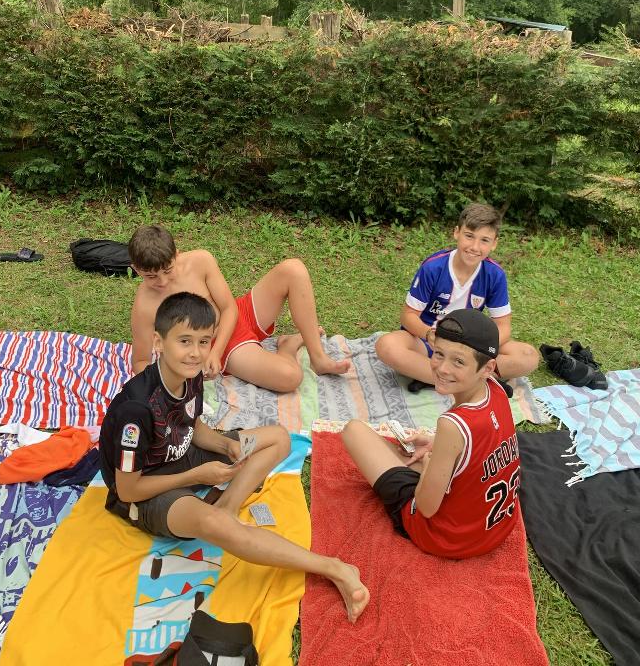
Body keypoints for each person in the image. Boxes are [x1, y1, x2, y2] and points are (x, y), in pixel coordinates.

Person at [100, 291, 369, 623]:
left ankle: (227, 506)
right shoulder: (136, 410)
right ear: (159, 342)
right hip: (148, 491)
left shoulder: (189, 374)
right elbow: (128, 490)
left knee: (278, 438)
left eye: (204, 342)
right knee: (214, 525)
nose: (195, 353)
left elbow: (189, 424)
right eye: (184, 341)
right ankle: (334, 568)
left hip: (182, 454)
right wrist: (197, 477)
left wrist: (224, 446)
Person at [342, 309, 521, 558]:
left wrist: (428, 466)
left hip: (445, 538)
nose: (443, 369)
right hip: (495, 529)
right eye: (439, 354)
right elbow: (481, 442)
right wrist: (437, 444)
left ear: (487, 367)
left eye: (458, 362)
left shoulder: (452, 425)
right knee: (411, 452)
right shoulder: (497, 390)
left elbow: (426, 507)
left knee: (354, 431)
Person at [128, 224, 350, 386]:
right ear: (136, 269)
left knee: (294, 269)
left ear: (177, 255)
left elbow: (229, 308)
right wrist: (208, 355)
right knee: (291, 377)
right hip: (223, 343)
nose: (162, 281)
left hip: (235, 314)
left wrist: (215, 353)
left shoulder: (200, 260)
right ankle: (287, 347)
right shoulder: (144, 305)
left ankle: (318, 358)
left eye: (168, 270)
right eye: (151, 276)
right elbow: (140, 361)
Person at [375, 202, 539, 389]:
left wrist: (476, 347)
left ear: (494, 244)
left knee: (528, 356)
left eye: (484, 240)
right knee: (387, 345)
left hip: (469, 346)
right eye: (469, 236)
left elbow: (503, 326)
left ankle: (436, 378)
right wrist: (429, 335)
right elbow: (408, 316)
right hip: (430, 342)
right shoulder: (433, 268)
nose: (475, 247)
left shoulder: (495, 274)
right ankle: (471, 380)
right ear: (456, 233)